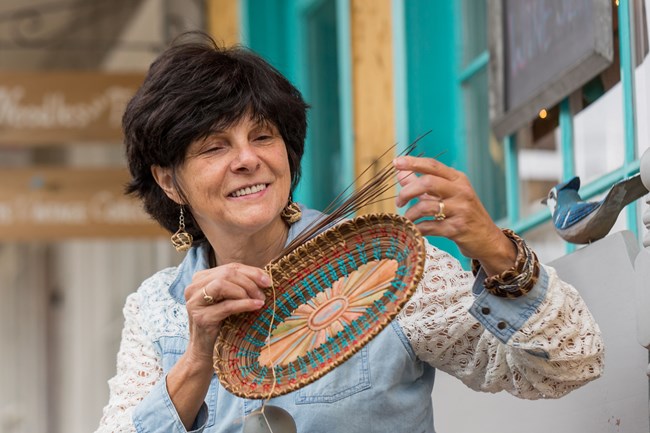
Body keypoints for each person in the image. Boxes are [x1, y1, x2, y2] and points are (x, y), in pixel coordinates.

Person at [96, 32, 604, 433]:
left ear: (287, 155)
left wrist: (494, 249)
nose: (247, 159)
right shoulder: (158, 308)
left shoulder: (383, 264)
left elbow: (569, 365)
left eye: (262, 136)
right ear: (169, 181)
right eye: (214, 147)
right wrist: (198, 358)